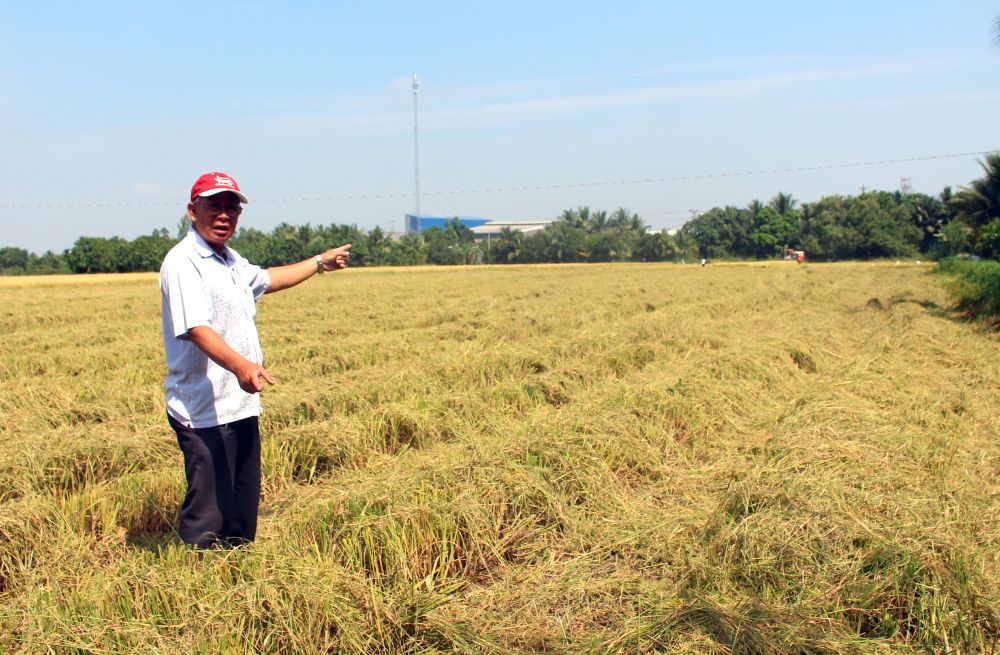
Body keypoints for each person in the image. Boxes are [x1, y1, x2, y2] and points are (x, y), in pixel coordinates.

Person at [159, 171, 351, 549]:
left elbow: (268, 279)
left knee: (241, 508)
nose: (224, 215)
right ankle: (194, 586)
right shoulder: (184, 262)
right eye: (214, 205)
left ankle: (236, 576)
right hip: (202, 410)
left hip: (240, 403)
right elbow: (196, 328)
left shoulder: (228, 260)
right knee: (208, 513)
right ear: (192, 211)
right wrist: (242, 366)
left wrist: (319, 263)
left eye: (232, 208)